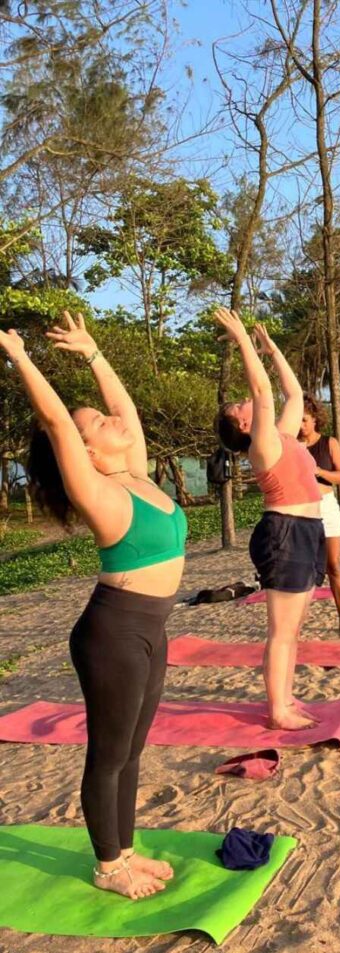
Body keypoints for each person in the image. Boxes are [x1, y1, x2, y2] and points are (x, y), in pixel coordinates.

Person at [0, 312, 187, 900]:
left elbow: (124, 413)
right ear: (82, 449)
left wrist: (94, 355)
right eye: (95, 424)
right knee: (108, 755)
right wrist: (21, 357)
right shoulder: (100, 491)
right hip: (113, 634)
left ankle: (125, 852)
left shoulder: (135, 475)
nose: (110, 420)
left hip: (151, 629)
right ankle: (109, 867)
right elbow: (57, 423)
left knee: (132, 750)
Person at [214, 310, 325, 731]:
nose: (247, 402)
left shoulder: (279, 435)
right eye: (240, 407)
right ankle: (277, 710)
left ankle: (285, 698)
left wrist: (271, 348)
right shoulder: (261, 446)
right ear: (243, 424)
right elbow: (261, 389)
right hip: (285, 533)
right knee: (281, 629)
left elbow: (292, 395)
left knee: (292, 628)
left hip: (307, 530)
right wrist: (242, 338)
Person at [298, 396, 340, 635]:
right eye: (298, 420)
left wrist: (318, 470)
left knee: (334, 566)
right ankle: (297, 623)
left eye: (305, 420)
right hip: (303, 508)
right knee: (303, 570)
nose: (301, 425)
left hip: (327, 506)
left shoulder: (328, 443)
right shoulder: (292, 444)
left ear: (315, 420)